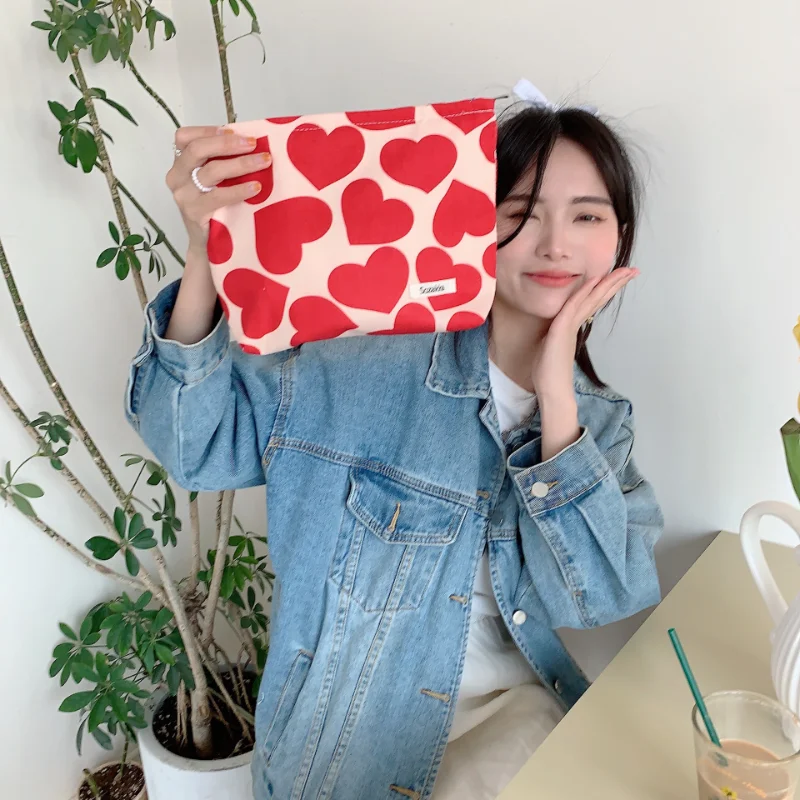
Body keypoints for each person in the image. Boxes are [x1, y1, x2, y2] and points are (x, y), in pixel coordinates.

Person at [125, 95, 664, 800]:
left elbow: (599, 597)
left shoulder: (599, 423)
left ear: (619, 238)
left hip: (516, 724)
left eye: (587, 216)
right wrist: (205, 250)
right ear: (472, 220)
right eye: (522, 213)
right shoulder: (357, 363)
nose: (556, 244)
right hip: (348, 749)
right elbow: (194, 446)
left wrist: (557, 396)